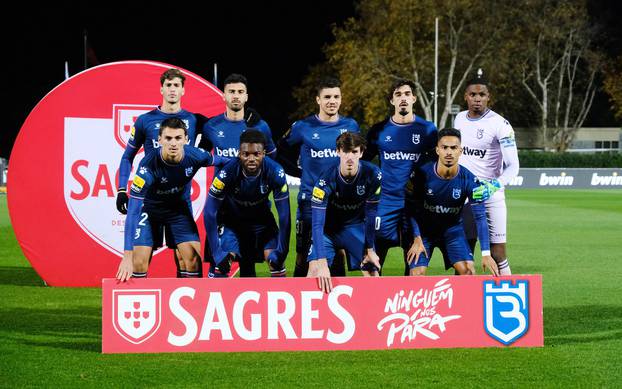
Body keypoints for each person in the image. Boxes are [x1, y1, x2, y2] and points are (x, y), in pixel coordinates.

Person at [116, 68, 207, 278]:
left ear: (183, 90)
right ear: (161, 89)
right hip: (150, 201)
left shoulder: (193, 120)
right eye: (169, 85)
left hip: (179, 202)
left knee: (190, 259)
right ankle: (139, 306)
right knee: (138, 261)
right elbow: (126, 157)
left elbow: (220, 131)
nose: (172, 90)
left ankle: (186, 307)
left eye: (177, 85)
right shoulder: (145, 120)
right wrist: (122, 189)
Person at [115, 118, 226, 281]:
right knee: (137, 262)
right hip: (151, 210)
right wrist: (126, 256)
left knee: (193, 260)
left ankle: (193, 305)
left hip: (178, 210)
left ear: (186, 140)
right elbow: (132, 212)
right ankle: (144, 304)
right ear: (159, 140)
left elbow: (226, 162)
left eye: (178, 138)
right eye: (168, 138)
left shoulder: (195, 155)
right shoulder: (147, 168)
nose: (173, 143)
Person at [277, 77, 360, 278]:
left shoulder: (351, 125)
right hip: (309, 201)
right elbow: (281, 151)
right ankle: (298, 301)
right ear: (318, 100)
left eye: (336, 97)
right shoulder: (303, 127)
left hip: (339, 203)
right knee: (303, 255)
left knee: (339, 253)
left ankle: (338, 301)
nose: (332, 101)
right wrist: (299, 172)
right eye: (327, 97)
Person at [200, 73, 277, 276]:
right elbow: (201, 157)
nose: (235, 96)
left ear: (246, 97)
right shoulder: (212, 126)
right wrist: (222, 161)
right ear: (223, 95)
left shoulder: (260, 126)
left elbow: (272, 157)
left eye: (240, 92)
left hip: (253, 207)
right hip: (222, 207)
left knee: (248, 267)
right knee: (219, 264)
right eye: (231, 91)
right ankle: (210, 304)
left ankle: (247, 307)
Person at [363, 79, 437, 275]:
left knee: (415, 268)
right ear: (392, 101)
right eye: (398, 95)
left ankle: (406, 305)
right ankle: (375, 304)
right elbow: (364, 162)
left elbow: (435, 165)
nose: (403, 98)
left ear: (413, 98)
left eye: (406, 94)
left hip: (416, 205)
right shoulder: (379, 130)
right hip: (385, 203)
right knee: (373, 265)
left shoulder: (428, 130)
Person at [405, 128, 499, 276]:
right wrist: (416, 238)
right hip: (424, 233)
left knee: (468, 271)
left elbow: (480, 217)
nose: (449, 152)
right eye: (444, 148)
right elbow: (411, 210)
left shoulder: (470, 180)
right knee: (416, 274)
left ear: (460, 151)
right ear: (437, 150)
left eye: (454, 148)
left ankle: (459, 300)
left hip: (452, 231)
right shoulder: (421, 174)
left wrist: (486, 253)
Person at [454, 73, 519, 276]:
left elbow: (513, 166)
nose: (477, 98)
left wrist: (492, 186)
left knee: (498, 254)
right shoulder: (459, 119)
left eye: (482, 94)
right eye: (473, 94)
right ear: (466, 96)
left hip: (491, 196)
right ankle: (461, 304)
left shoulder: (501, 124)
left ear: (488, 96)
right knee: (463, 255)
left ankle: (509, 298)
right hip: (464, 197)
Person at [204, 129, 290, 278]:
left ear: (263, 153)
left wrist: (283, 251)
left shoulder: (275, 172)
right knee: (222, 263)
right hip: (232, 222)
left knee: (276, 262)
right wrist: (217, 253)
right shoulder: (227, 172)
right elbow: (209, 212)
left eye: (256, 154)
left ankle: (279, 300)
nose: (251, 159)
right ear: (239, 154)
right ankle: (215, 298)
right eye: (246, 154)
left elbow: (284, 216)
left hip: (262, 223)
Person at [307, 132, 382, 293]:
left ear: (361, 153)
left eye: (354, 152)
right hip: (328, 231)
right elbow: (317, 224)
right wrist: (321, 263)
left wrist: (370, 250)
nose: (350, 157)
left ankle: (370, 316)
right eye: (345, 151)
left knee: (372, 272)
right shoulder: (324, 181)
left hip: (354, 228)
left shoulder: (373, 175)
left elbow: (370, 215)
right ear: (338, 151)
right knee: (314, 273)